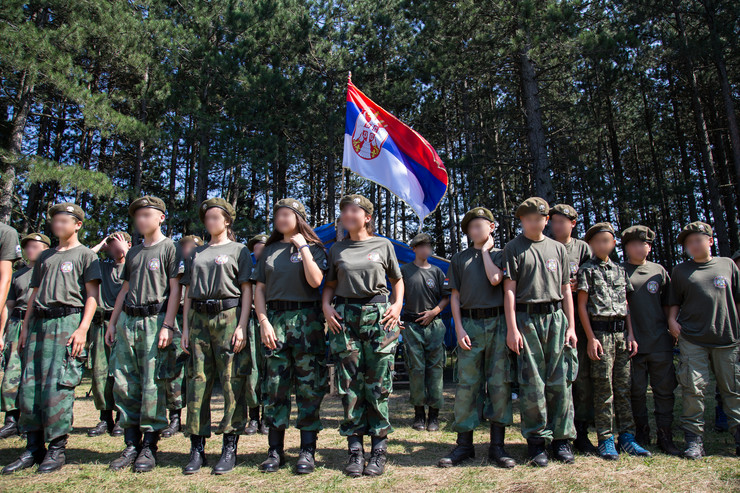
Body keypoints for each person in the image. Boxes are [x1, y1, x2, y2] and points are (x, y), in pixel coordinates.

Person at [3, 203, 101, 474]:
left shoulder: (85, 256)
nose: (58, 225)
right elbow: (34, 294)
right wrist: (25, 328)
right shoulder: (45, 256)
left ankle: (56, 448)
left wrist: (82, 329)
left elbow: (92, 296)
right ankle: (33, 447)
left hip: (67, 322)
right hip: (38, 324)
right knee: (30, 385)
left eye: (64, 221)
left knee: (59, 386)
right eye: (55, 221)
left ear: (77, 224)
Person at [322, 194, 404, 478]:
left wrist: (397, 305)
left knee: (379, 384)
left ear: (367, 217)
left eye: (353, 210)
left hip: (379, 316)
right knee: (349, 386)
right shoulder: (337, 249)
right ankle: (355, 451)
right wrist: (326, 306)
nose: (347, 214)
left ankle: (378, 450)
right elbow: (330, 284)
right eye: (344, 210)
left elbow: (397, 280)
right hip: (345, 318)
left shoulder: (383, 245)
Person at [104, 196, 182, 473]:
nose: (141, 220)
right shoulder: (134, 252)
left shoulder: (170, 248)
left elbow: (176, 289)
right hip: (128, 321)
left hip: (155, 320)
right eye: (138, 216)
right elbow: (124, 290)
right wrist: (113, 323)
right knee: (124, 383)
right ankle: (130, 443)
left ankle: (149, 445)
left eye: (147, 215)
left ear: (161, 217)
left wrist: (168, 325)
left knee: (152, 384)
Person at [252, 199, 328, 474]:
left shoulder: (316, 248)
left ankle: (307, 451)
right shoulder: (269, 250)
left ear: (299, 218)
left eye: (287, 214)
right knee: (275, 388)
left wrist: (303, 248)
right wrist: (263, 321)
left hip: (307, 321)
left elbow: (316, 281)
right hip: (275, 321)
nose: (281, 219)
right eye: (278, 215)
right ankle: (275, 451)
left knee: (309, 388)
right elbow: (259, 290)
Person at [502, 197, 577, 467]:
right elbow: (509, 291)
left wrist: (571, 326)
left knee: (561, 381)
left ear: (547, 220)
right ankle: (536, 442)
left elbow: (566, 289)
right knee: (532, 384)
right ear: (522, 221)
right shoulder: (514, 248)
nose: (534, 223)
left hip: (556, 319)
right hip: (527, 320)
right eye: (528, 219)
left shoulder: (558, 248)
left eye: (539, 219)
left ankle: (562, 440)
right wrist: (512, 329)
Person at [438, 208, 516, 469]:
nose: (476, 230)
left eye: (481, 225)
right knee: (467, 385)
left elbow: (495, 279)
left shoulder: (501, 255)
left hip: (498, 324)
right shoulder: (459, 259)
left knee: (499, 384)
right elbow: (455, 297)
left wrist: (485, 252)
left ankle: (497, 447)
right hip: (470, 324)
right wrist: (459, 329)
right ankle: (464, 445)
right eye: (472, 227)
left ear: (492, 227)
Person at [180, 198, 252, 475]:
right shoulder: (196, 253)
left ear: (227, 221)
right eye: (207, 218)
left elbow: (246, 289)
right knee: (197, 381)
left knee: (232, 380)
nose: (210, 222)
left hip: (228, 316)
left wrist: (242, 325)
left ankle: (229, 447)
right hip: (198, 318)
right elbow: (187, 293)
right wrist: (185, 328)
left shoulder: (239, 250)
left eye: (215, 217)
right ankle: (197, 448)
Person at [577, 222, 650, 460]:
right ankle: (606, 438)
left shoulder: (620, 270)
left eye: (607, 241)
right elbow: (582, 306)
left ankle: (627, 437)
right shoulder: (587, 270)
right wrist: (590, 338)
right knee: (603, 388)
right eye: (597, 241)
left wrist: (630, 334)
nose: (603, 245)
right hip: (600, 335)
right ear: (590, 244)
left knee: (623, 387)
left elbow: (626, 305)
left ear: (614, 243)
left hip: (621, 336)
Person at [668, 221, 740, 459]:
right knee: (693, 388)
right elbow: (674, 301)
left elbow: (738, 298)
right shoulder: (680, 271)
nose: (694, 245)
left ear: (710, 240)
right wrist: (672, 321)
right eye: (689, 243)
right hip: (692, 338)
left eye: (698, 240)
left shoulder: (727, 265)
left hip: (727, 338)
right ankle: (694, 440)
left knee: (733, 389)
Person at [621, 225, 681, 456]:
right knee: (636, 391)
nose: (640, 248)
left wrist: (670, 327)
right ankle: (641, 433)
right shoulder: (620, 271)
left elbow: (669, 303)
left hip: (659, 342)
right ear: (626, 247)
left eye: (645, 244)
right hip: (633, 343)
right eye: (635, 244)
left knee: (664, 390)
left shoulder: (659, 271)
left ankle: (665, 435)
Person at [549, 203, 596, 455]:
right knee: (557, 379)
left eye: (562, 221)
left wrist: (581, 283)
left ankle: (582, 432)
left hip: (579, 320)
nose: (556, 226)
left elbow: (595, 277)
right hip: (553, 318)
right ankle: (557, 432)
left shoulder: (582, 248)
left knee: (581, 379)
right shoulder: (545, 245)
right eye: (553, 221)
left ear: (573, 224)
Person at [0, 233, 49, 439]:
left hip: (39, 324)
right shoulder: (18, 274)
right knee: (12, 373)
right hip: (16, 324)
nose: (30, 250)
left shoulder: (49, 270)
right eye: (28, 246)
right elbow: (8, 306)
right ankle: (11, 420)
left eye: (35, 246)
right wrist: (2, 333)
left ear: (45, 249)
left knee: (35, 374)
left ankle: (33, 421)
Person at [401, 233, 449, 433]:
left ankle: (434, 416)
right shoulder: (404, 270)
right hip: (412, 326)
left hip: (434, 325)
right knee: (416, 370)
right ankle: (419, 414)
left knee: (435, 370)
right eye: (421, 246)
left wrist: (434, 312)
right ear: (414, 249)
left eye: (428, 246)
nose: (425, 249)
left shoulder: (437, 272)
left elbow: (446, 297)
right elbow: (397, 295)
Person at [87, 232, 131, 438]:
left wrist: (126, 251)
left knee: (122, 372)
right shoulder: (103, 267)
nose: (114, 248)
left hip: (123, 322)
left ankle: (123, 417)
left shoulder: (132, 265)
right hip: (102, 323)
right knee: (100, 372)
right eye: (111, 245)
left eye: (117, 244)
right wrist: (101, 245)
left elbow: (140, 270)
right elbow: (84, 257)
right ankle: (105, 418)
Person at [160, 236, 202, 440]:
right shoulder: (174, 268)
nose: (188, 250)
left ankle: (194, 420)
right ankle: (175, 417)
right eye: (184, 246)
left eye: (193, 247)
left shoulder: (201, 265)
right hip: (175, 321)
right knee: (174, 371)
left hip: (198, 320)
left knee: (197, 372)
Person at [245, 233, 269, 435]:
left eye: (263, 247)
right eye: (256, 247)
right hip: (251, 323)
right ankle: (253, 417)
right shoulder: (247, 270)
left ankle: (267, 416)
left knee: (270, 369)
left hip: (270, 322)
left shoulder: (275, 268)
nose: (259, 250)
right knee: (252, 370)